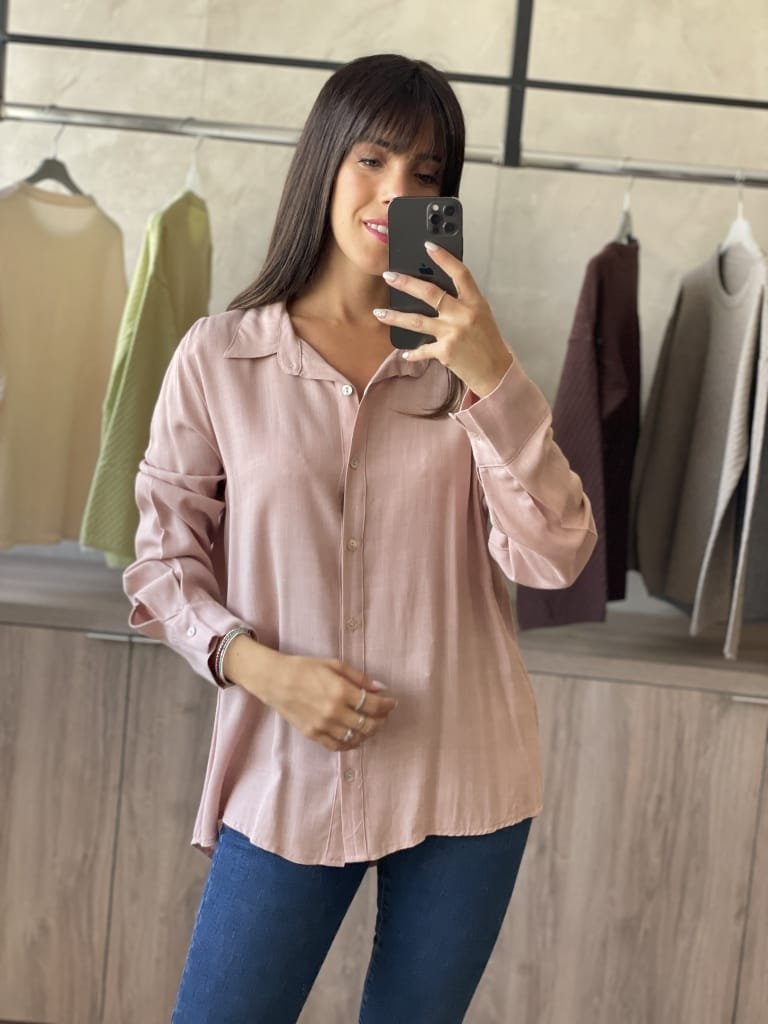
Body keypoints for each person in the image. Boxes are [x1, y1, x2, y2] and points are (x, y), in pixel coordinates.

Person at [123, 52, 596, 1024]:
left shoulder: (465, 367)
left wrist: (494, 379)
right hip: (288, 768)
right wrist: (260, 667)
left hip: (467, 774)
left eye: (426, 172)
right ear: (325, 162)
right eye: (373, 159)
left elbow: (554, 553)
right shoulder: (221, 357)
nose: (395, 191)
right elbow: (163, 562)